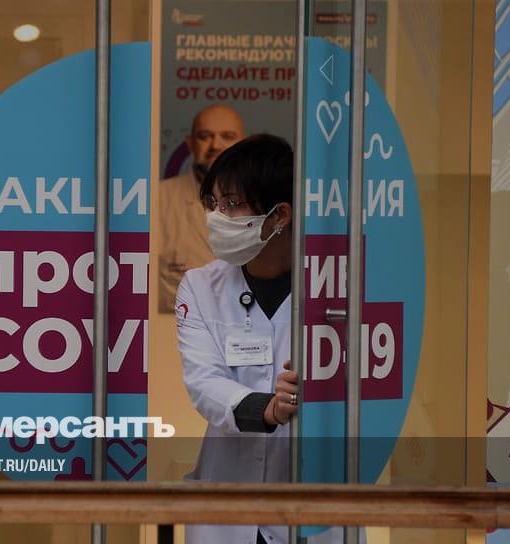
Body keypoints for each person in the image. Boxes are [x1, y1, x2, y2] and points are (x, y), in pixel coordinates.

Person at [176, 134, 299, 544]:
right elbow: (204, 382)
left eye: (232, 204)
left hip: (308, 508)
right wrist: (269, 409)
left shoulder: (331, 289)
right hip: (226, 510)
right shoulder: (199, 287)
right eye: (215, 203)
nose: (217, 217)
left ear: (279, 216)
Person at [158, 104, 245, 313]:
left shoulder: (265, 202)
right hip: (173, 330)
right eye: (205, 136)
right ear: (190, 144)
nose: (216, 145)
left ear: (243, 144)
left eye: (227, 136)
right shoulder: (158, 198)